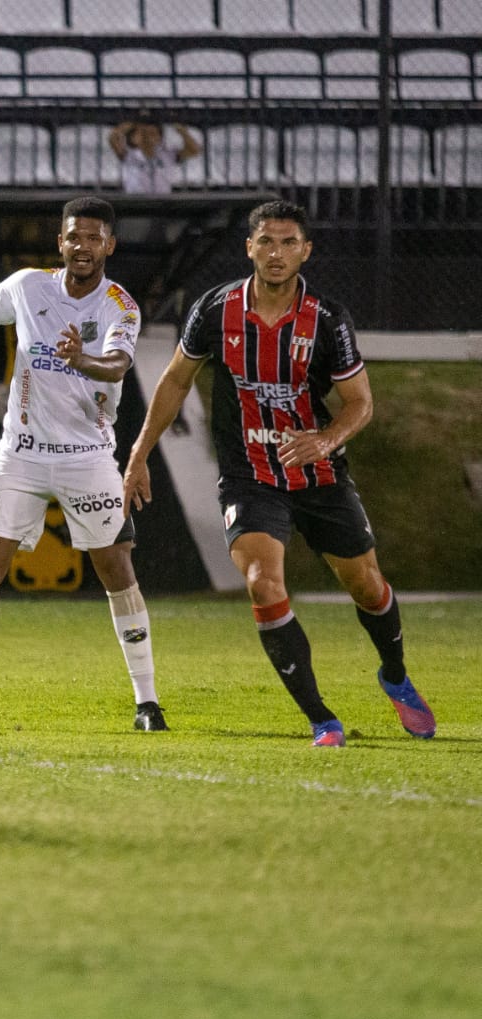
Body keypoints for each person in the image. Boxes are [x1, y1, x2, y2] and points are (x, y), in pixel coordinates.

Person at [123, 200, 436, 748]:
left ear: (306, 251)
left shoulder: (327, 319)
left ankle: (394, 674)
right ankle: (322, 719)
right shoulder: (216, 309)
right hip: (249, 475)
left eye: (289, 243)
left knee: (367, 586)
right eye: (266, 241)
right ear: (249, 247)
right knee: (262, 583)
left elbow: (360, 402)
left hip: (319, 477)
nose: (276, 253)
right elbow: (173, 381)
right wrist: (139, 453)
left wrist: (325, 440)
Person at [0, 196, 169, 733]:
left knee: (116, 569)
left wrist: (81, 359)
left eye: (94, 238)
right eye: (74, 236)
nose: (82, 246)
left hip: (87, 456)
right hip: (20, 453)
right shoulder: (28, 286)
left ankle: (147, 704)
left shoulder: (120, 305)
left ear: (109, 246)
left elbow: (116, 367)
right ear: (60, 242)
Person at [108, 113, 201, 195]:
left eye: (152, 133)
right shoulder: (129, 154)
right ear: (132, 139)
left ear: (160, 138)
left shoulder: (167, 154)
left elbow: (194, 150)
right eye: (143, 133)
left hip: (162, 201)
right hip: (135, 201)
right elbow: (113, 139)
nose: (147, 137)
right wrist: (128, 125)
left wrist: (182, 131)